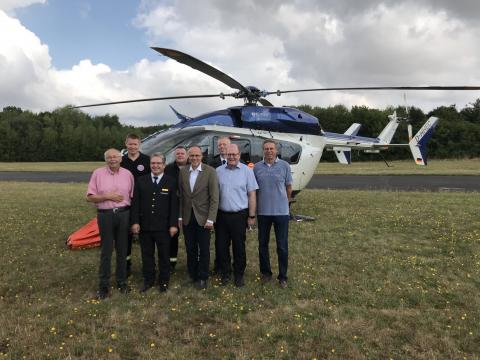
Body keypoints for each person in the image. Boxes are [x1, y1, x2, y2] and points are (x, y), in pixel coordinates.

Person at [87, 148, 134, 300]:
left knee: (122, 250)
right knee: (106, 251)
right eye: (109, 157)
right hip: (105, 216)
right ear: (106, 160)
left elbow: (133, 197)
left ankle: (121, 282)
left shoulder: (128, 174)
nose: (112, 159)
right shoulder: (98, 173)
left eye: (115, 157)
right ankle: (103, 286)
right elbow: (90, 197)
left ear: (121, 158)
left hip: (124, 215)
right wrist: (107, 196)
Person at [131, 153, 178, 293]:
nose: (155, 166)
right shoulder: (141, 180)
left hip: (163, 227)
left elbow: (174, 205)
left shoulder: (171, 181)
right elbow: (136, 204)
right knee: (147, 255)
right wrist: (135, 222)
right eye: (153, 163)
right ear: (150, 165)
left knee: (164, 255)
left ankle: (164, 281)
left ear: (164, 165)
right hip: (145, 226)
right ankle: (148, 280)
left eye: (158, 163)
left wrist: (173, 224)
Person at [216, 144, 258, 287]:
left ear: (239, 155)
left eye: (234, 154)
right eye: (229, 154)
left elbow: (252, 194)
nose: (232, 157)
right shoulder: (218, 171)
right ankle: (226, 273)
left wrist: (251, 216)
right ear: (225, 155)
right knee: (222, 247)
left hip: (239, 216)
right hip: (221, 216)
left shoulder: (247, 171)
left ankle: (239, 275)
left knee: (239, 247)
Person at [178, 146, 219, 290]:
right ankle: (193, 274)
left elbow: (214, 198)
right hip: (188, 217)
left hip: (203, 217)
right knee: (190, 248)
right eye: (192, 156)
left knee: (204, 248)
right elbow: (181, 197)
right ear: (188, 157)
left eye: (197, 155)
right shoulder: (183, 172)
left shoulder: (210, 172)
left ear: (201, 156)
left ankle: (202, 276)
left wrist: (211, 219)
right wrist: (180, 217)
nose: (194, 158)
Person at [253, 139, 293, 288]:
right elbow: (254, 190)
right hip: (263, 213)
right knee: (263, 245)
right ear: (263, 151)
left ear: (276, 150)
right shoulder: (256, 167)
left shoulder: (284, 166)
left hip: (281, 213)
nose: (269, 151)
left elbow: (289, 187)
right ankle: (266, 273)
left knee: (282, 246)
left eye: (271, 148)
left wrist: (286, 203)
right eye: (266, 149)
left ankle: (283, 276)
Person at [120, 133, 151, 277]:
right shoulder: (121, 161)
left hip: (144, 203)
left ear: (139, 145)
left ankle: (148, 267)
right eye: (130, 144)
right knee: (125, 237)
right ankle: (126, 266)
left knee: (145, 236)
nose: (132, 147)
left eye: (135, 144)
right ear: (126, 144)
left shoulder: (147, 160)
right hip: (125, 203)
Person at [164, 146, 188, 272]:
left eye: (182, 153)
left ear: (187, 155)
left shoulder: (193, 167)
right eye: (177, 153)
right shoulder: (168, 169)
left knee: (190, 237)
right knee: (172, 236)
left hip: (190, 207)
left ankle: (193, 263)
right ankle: (171, 263)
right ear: (175, 155)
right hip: (172, 206)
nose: (180, 155)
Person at [209, 136, 231, 274]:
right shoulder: (212, 163)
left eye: (224, 144)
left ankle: (231, 266)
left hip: (233, 207)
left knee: (234, 240)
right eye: (219, 145)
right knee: (219, 240)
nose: (221, 147)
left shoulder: (238, 161)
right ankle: (218, 266)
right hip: (217, 208)